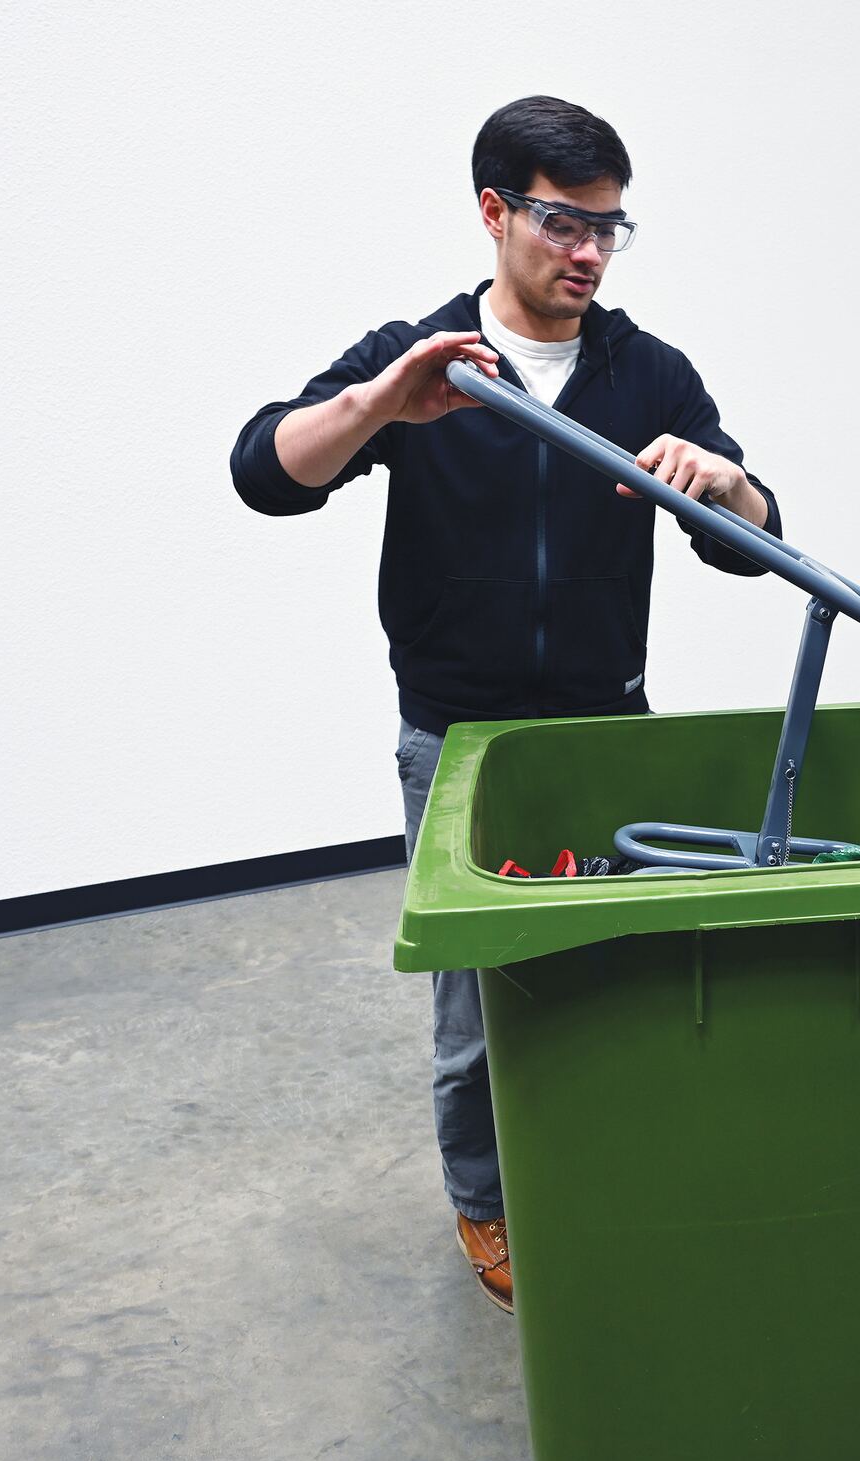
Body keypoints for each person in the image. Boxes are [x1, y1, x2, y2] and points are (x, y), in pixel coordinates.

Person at [230, 96, 783, 1313]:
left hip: (604, 732)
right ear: (495, 212)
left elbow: (754, 544)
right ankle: (485, 1202)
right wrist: (383, 403)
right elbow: (265, 471)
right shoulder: (425, 357)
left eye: (608, 228)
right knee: (477, 1005)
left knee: (616, 977)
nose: (589, 253)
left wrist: (727, 483)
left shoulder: (647, 372)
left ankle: (601, 1162)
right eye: (562, 224)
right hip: (457, 740)